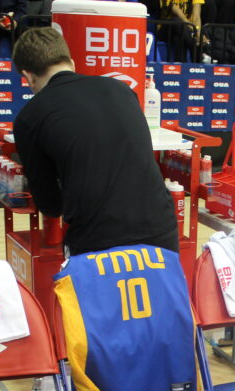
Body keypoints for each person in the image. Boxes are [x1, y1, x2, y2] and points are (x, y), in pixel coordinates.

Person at [11, 28, 177, 257]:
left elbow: (50, 205)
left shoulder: (29, 118)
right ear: (71, 62)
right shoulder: (122, 89)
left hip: (97, 241)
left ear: (28, 76)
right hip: (162, 230)